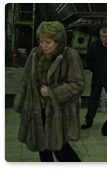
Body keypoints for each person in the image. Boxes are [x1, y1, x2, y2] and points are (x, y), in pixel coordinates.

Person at [13, 21, 85, 162]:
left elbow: (78, 84)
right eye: (41, 41)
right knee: (43, 150)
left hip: (59, 113)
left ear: (58, 41)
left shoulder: (69, 55)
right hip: (37, 111)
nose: (43, 46)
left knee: (62, 151)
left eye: (48, 42)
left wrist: (52, 92)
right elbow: (26, 82)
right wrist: (22, 106)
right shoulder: (35, 54)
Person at [81, 27, 107, 129]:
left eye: (106, 36)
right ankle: (88, 121)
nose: (104, 39)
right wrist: (96, 70)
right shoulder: (94, 46)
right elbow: (88, 61)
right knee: (93, 100)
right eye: (102, 37)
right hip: (98, 77)